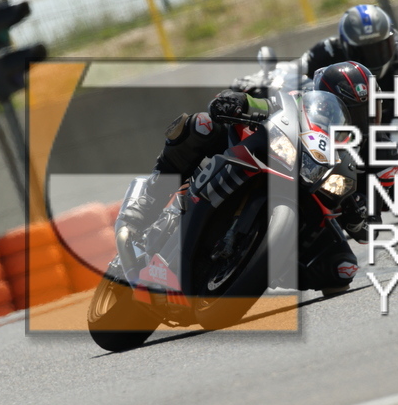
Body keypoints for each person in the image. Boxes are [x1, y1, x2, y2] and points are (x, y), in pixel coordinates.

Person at [119, 90, 359, 295]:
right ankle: (148, 200)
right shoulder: (299, 100)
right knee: (202, 125)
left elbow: (363, 222)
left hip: (304, 185)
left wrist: (356, 210)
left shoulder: (351, 149)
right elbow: (262, 102)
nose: (355, 112)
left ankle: (261, 265)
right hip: (261, 151)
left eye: (361, 109)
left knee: (340, 269)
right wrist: (237, 100)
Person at [301, 4, 398, 215]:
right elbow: (291, 72)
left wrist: (359, 166)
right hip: (333, 135)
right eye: (364, 52)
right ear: (345, 46)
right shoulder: (326, 51)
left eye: (380, 49)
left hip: (381, 137)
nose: (373, 58)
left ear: (391, 43)